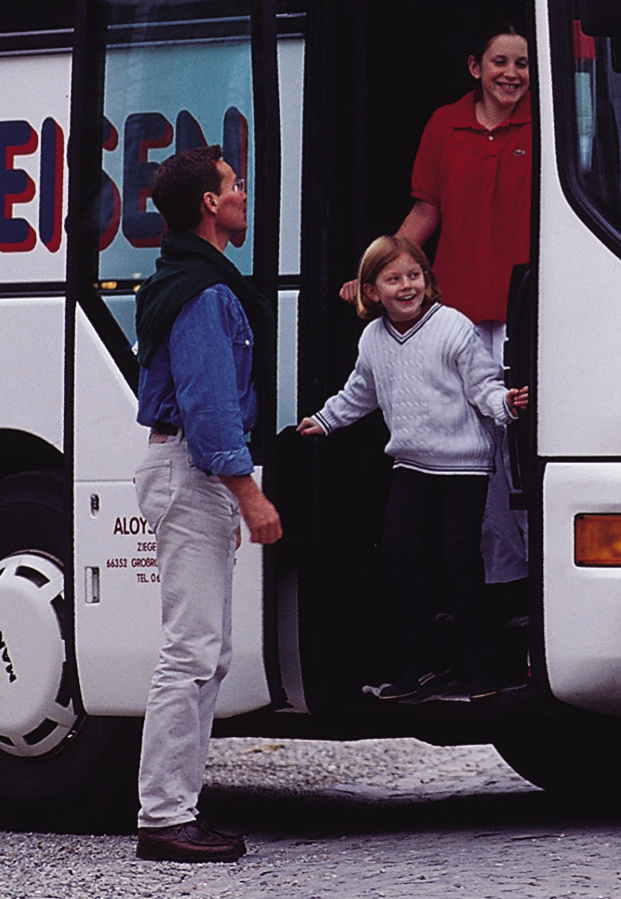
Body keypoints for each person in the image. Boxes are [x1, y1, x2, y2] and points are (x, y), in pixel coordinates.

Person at [341, 26, 534, 607]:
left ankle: (536, 584)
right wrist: (375, 270)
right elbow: (427, 210)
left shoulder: (549, 121)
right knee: (476, 449)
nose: (512, 73)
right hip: (462, 313)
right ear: (475, 66)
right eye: (500, 61)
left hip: (530, 310)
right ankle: (501, 587)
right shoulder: (443, 125)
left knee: (521, 443)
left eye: (523, 63)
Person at [299, 235, 527, 703]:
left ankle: (481, 667)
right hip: (411, 462)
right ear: (370, 292)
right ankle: (424, 663)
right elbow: (360, 392)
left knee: (460, 561)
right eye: (393, 279)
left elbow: (483, 387)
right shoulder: (373, 338)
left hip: (464, 465)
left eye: (414, 275)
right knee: (398, 555)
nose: (406, 286)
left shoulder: (453, 328)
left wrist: (505, 403)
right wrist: (325, 420)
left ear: (428, 278)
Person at [132, 146, 280, 864]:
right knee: (191, 651)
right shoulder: (204, 292)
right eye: (233, 184)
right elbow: (209, 403)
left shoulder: (197, 280)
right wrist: (247, 493)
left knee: (207, 653)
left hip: (194, 473)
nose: (243, 192)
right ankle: (163, 816)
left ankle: (176, 809)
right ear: (208, 207)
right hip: (194, 471)